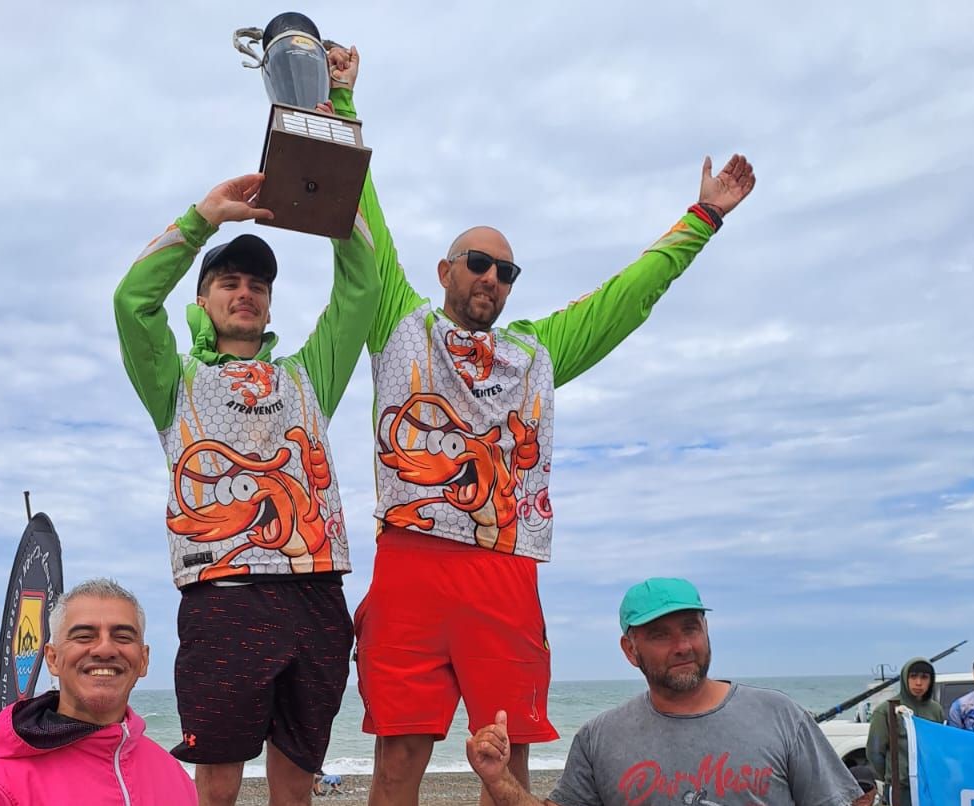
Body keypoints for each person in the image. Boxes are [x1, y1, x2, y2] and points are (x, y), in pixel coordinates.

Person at [324, 45, 757, 806]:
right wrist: (341, 104)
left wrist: (705, 217)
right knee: (397, 760)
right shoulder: (398, 323)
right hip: (410, 561)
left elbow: (627, 296)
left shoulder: (538, 354)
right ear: (444, 271)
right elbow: (361, 220)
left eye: (506, 272)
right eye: (478, 263)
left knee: (506, 762)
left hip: (505, 566)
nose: (492, 278)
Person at [113, 169, 379, 806]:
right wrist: (203, 219)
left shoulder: (309, 374)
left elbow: (361, 289)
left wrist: (331, 196)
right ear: (203, 299)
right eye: (229, 282)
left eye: (258, 285)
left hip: (316, 591)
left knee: (296, 784)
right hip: (223, 594)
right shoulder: (172, 380)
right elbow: (132, 302)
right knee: (218, 784)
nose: (245, 293)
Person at [465, 577, 861, 806]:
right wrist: (499, 779)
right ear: (629, 650)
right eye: (660, 635)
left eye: (691, 628)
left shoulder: (780, 715)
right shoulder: (599, 737)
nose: (683, 646)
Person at [0, 579, 197, 805]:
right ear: (53, 658)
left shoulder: (173, 775)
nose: (105, 649)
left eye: (122, 637)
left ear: (143, 660)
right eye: (84, 636)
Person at [866, 658, 943, 806]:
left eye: (924, 677)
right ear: (904, 678)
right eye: (913, 676)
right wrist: (892, 776)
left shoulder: (936, 710)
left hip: (928, 785)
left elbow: (938, 746)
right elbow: (874, 752)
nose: (918, 683)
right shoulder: (885, 710)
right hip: (900, 787)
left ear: (931, 680)